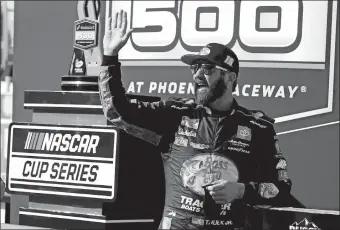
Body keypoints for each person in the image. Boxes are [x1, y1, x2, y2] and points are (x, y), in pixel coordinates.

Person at [98, 10, 292, 230]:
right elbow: (117, 113)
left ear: (230, 77)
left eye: (208, 68)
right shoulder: (177, 114)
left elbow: (281, 188)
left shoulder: (257, 127)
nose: (197, 75)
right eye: (195, 67)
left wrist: (241, 190)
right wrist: (110, 57)